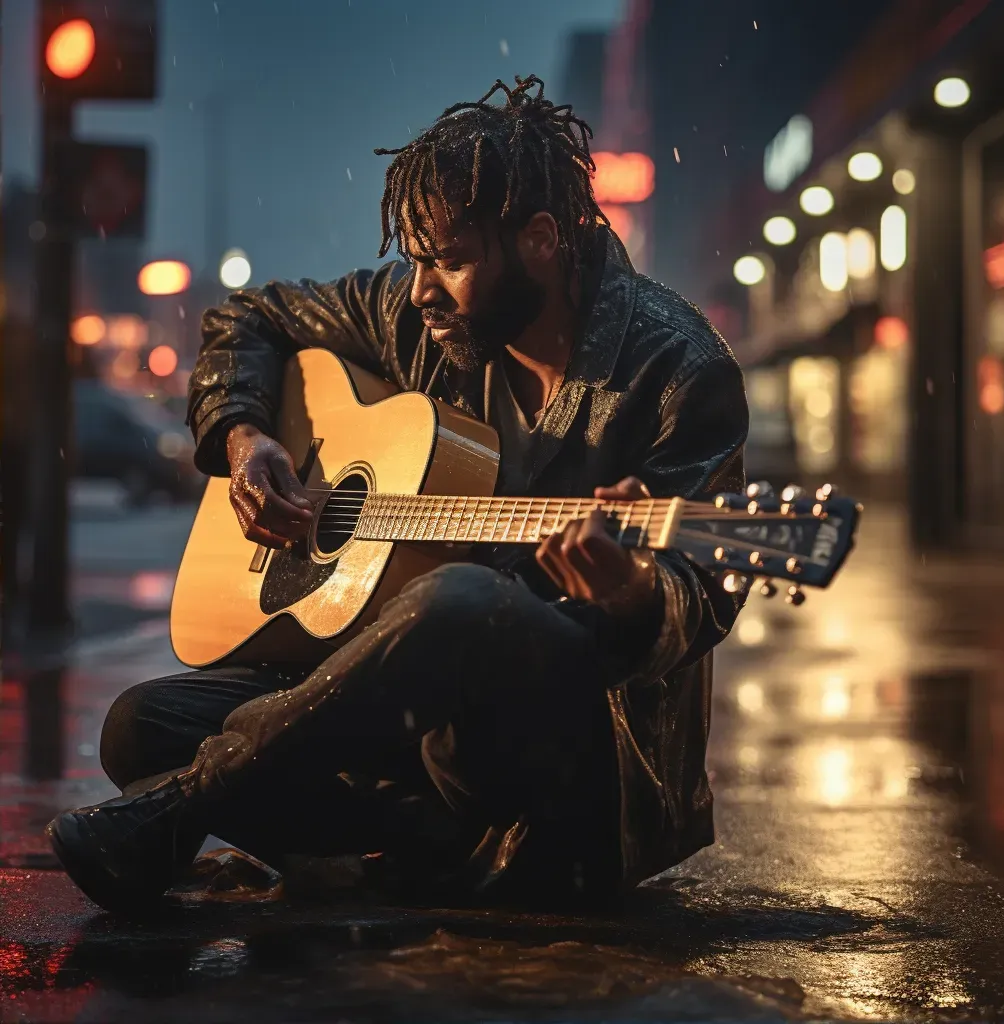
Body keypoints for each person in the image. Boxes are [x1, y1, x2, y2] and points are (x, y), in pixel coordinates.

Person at [48, 75, 749, 915]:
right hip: (417, 750)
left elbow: (698, 596)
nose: (419, 291)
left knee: (458, 600)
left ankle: (188, 808)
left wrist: (632, 589)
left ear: (540, 240)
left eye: (449, 262)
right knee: (141, 727)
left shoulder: (678, 369)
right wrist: (247, 436)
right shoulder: (421, 321)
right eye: (414, 260)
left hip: (577, 768)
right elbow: (250, 317)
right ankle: (408, 860)